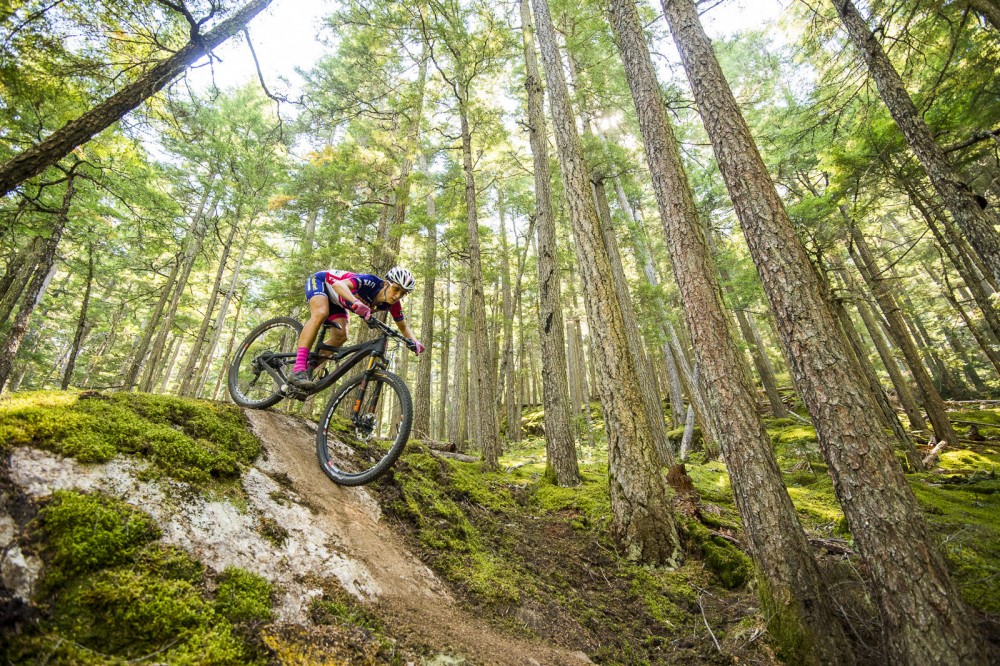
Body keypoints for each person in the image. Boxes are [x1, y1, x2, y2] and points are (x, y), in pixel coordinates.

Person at [289, 266, 424, 388]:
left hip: (337, 302)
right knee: (321, 313)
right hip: (322, 282)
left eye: (403, 293)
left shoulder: (393, 304)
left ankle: (307, 370)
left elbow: (404, 327)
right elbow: (338, 285)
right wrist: (355, 302)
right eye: (396, 289)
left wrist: (414, 341)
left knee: (341, 336)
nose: (397, 295)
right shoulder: (370, 282)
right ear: (386, 283)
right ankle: (298, 369)